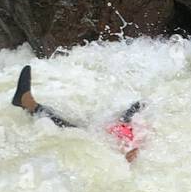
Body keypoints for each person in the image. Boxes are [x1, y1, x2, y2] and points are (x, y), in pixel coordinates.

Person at [11, 65, 144, 162]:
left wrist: (124, 159)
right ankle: (28, 103)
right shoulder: (146, 110)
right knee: (78, 127)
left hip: (106, 143)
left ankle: (28, 103)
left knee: (76, 131)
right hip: (109, 132)